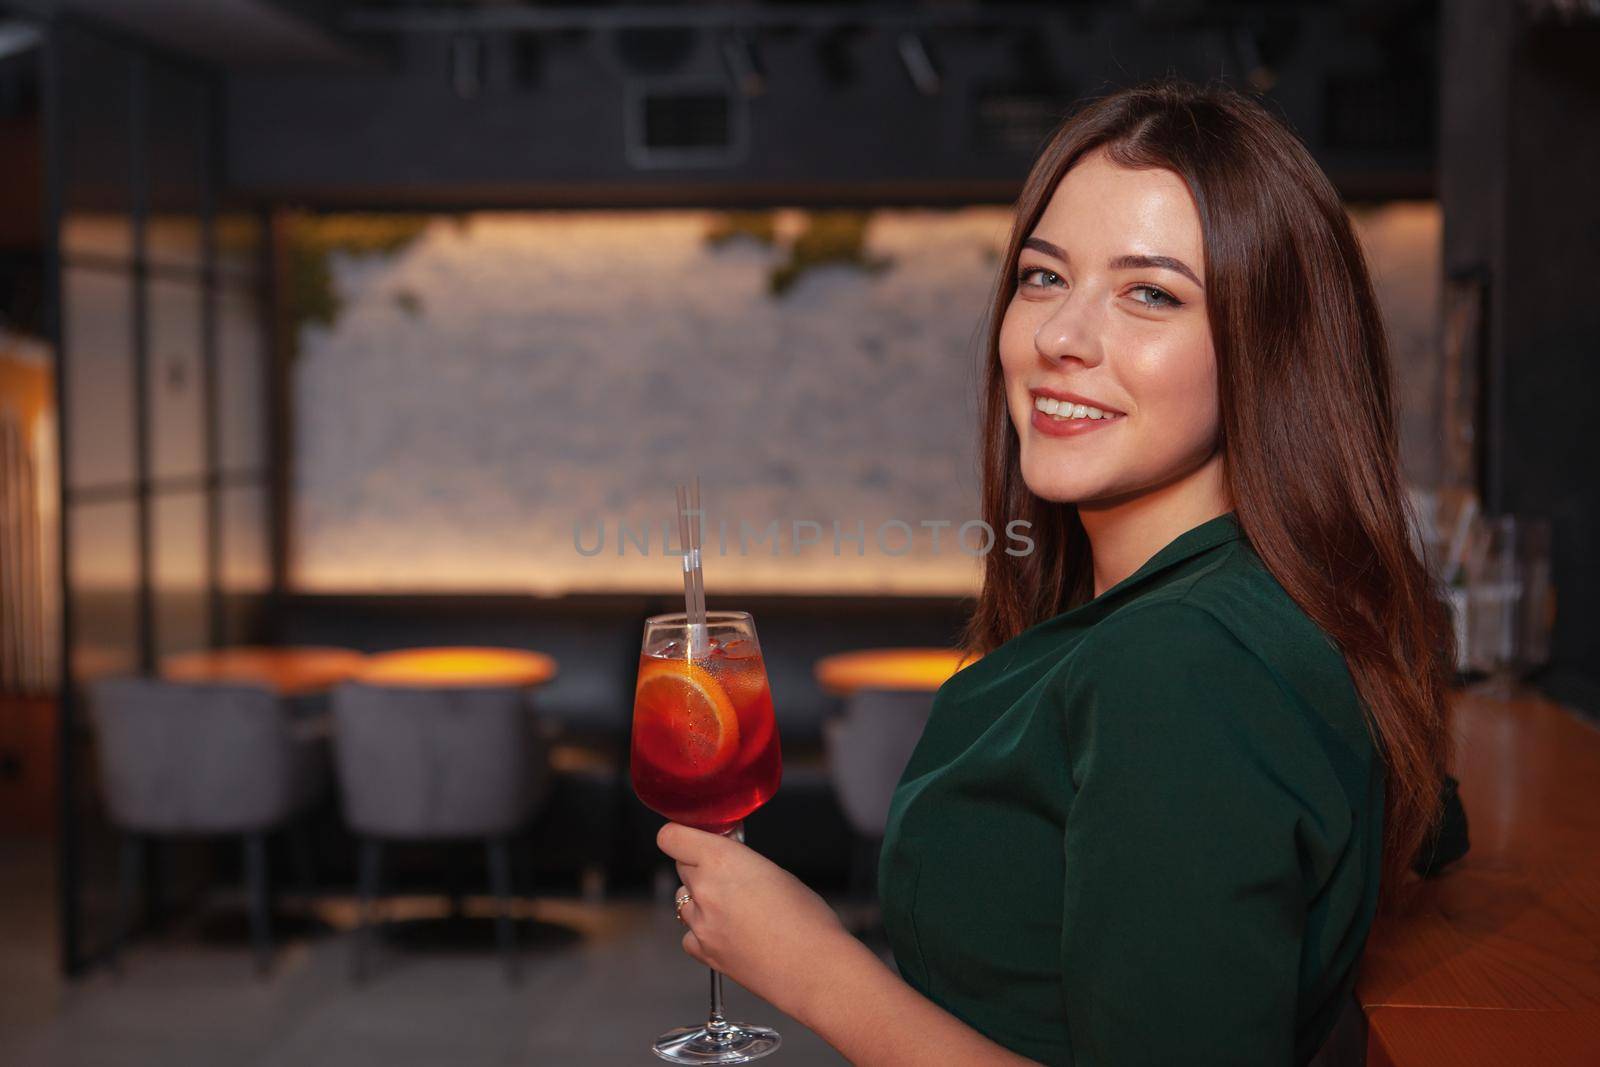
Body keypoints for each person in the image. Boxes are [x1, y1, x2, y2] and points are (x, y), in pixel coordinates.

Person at [655, 79, 1458, 1066]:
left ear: (1269, 345)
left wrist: (814, 964)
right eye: (1042, 278)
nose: (1058, 338)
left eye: (1149, 293)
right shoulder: (1240, 609)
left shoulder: (1180, 666)